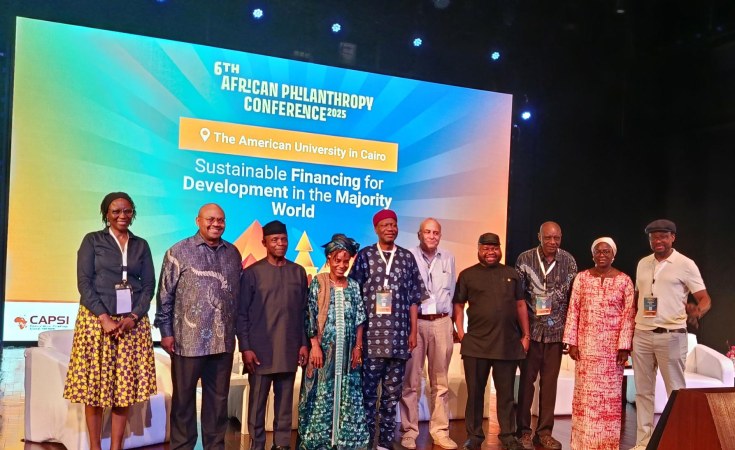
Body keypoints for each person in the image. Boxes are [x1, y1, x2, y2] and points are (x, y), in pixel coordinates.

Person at [64, 192, 157, 450]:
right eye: (116, 211)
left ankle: (116, 447)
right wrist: (104, 317)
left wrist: (134, 316)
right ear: (106, 214)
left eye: (127, 211)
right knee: (93, 390)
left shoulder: (141, 245)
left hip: (131, 325)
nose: (122, 216)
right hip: (96, 322)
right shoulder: (92, 240)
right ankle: (95, 447)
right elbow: (84, 283)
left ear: (133, 213)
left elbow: (149, 285)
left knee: (123, 390)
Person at [154, 203, 242, 450]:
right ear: (198, 221)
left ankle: (215, 446)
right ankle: (182, 446)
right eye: (210, 219)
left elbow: (238, 297)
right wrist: (166, 333)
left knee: (218, 402)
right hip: (187, 341)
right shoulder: (178, 251)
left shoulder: (233, 253)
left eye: (221, 220)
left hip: (222, 342)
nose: (216, 224)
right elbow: (164, 295)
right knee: (183, 401)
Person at [631, 219, 712, 450]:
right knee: (643, 393)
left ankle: (679, 442)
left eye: (663, 236)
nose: (658, 241)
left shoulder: (685, 264)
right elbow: (638, 298)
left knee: (676, 393)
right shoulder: (643, 263)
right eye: (653, 237)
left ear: (672, 238)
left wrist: (698, 311)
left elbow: (705, 298)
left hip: (671, 335)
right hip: (642, 334)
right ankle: (643, 443)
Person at [349, 209, 425, 450]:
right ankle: (366, 441)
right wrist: (357, 339)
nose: (390, 229)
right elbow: (354, 295)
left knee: (392, 395)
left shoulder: (406, 258)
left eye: (393, 224)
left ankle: (384, 442)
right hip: (371, 339)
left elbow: (414, 299)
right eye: (385, 225)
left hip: (399, 339)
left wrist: (413, 332)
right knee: (368, 394)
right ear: (376, 229)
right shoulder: (365, 256)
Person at [453, 232, 530, 450]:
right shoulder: (467, 275)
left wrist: (526, 335)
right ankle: (474, 436)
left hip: (507, 343)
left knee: (506, 395)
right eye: (486, 248)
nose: (490, 252)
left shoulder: (512, 274)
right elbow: (458, 305)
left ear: (500, 249)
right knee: (475, 394)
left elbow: (520, 305)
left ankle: (508, 436)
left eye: (494, 248)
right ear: (479, 249)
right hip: (476, 345)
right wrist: (461, 333)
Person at [238, 220, 308, 450]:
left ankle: (282, 444)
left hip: (288, 349)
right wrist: (245, 347)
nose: (280, 244)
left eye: (284, 239)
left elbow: (303, 312)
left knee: (285, 404)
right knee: (257, 405)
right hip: (259, 352)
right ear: (264, 243)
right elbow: (241, 314)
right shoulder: (252, 273)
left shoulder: (298, 272)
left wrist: (303, 344)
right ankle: (257, 445)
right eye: (275, 240)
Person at [563, 237, 636, 450]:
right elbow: (573, 309)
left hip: (612, 352)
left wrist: (624, 346)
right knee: (585, 397)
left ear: (614, 255)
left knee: (609, 400)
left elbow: (628, 314)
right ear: (592, 254)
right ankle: (582, 443)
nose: (602, 255)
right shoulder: (582, 278)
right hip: (586, 348)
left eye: (606, 251)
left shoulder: (624, 281)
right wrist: (572, 342)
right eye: (598, 251)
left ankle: (606, 444)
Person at [298, 234, 369, 450]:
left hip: (348, 352)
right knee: (321, 393)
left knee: (348, 392)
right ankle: (320, 441)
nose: (341, 265)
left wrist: (358, 347)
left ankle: (345, 440)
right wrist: (315, 347)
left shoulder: (354, 286)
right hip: (324, 352)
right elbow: (310, 315)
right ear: (329, 259)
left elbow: (359, 319)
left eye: (346, 261)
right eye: (337, 260)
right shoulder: (319, 283)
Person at [514, 221, 577, 450]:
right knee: (526, 384)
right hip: (530, 332)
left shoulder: (568, 261)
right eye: (548, 237)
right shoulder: (525, 259)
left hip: (555, 334)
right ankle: (523, 432)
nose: (552, 242)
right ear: (539, 236)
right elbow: (518, 298)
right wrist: (522, 333)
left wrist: (569, 334)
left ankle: (544, 433)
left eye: (556, 238)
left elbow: (572, 300)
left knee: (550, 385)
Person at [399, 218, 458, 450]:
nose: (432, 236)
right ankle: (409, 431)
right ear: (419, 234)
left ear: (440, 235)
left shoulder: (449, 258)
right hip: (416, 323)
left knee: (440, 382)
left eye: (436, 232)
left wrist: (452, 323)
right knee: (411, 381)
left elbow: (452, 291)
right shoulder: (408, 256)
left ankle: (440, 431)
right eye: (427, 232)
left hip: (441, 322)